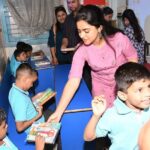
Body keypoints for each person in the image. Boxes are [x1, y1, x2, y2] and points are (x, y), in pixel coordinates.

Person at [47, 5, 138, 123]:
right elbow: (73, 81)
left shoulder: (119, 39)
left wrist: (129, 85)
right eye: (79, 31)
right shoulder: (82, 49)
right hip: (101, 90)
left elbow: (133, 58)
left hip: (122, 85)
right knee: (105, 123)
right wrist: (58, 112)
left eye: (86, 31)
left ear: (99, 27)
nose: (82, 35)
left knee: (126, 122)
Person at [84, 62, 150, 150]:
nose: (148, 94)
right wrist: (96, 116)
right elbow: (88, 137)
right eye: (140, 90)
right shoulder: (112, 115)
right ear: (123, 95)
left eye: (149, 87)